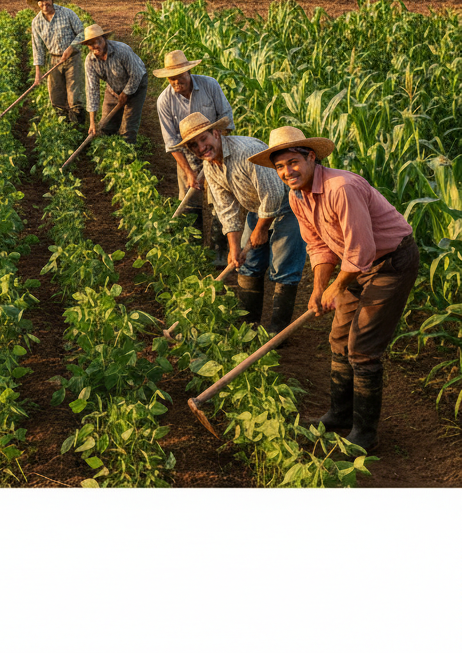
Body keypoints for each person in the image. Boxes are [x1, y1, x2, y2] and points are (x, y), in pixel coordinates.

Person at [249, 126, 420, 450]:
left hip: (389, 264)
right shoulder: (296, 197)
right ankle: (340, 415)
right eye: (280, 167)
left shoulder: (342, 188)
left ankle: (365, 435)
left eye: (292, 162)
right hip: (354, 267)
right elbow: (318, 245)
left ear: (311, 157)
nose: (287, 172)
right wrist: (319, 288)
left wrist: (337, 286)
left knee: (363, 348)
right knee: (339, 338)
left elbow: (362, 251)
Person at [178, 113, 307, 335]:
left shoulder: (247, 152)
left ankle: (278, 332)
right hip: (257, 210)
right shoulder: (210, 167)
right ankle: (248, 325)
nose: (201, 147)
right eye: (193, 145)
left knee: (283, 268)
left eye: (204, 139)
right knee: (247, 264)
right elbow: (227, 209)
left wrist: (260, 230)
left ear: (216, 133)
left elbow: (274, 194)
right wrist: (234, 247)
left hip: (289, 207)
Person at [155, 49, 234, 262]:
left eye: (180, 76)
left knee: (220, 200)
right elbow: (171, 142)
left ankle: (219, 252)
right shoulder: (164, 101)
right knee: (191, 199)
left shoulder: (210, 85)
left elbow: (226, 118)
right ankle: (195, 253)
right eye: (171, 78)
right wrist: (189, 172)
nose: (176, 81)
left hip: (216, 151)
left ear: (189, 72)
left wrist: (215, 154)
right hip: (187, 155)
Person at [28, 0, 86, 125]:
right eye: (40, 1)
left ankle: (78, 128)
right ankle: (63, 128)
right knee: (56, 96)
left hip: (72, 58)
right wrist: (38, 73)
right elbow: (37, 48)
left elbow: (82, 33)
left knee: (74, 95)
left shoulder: (67, 13)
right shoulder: (36, 22)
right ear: (38, 3)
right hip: (53, 60)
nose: (44, 3)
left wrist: (71, 48)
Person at [81, 24, 148, 144]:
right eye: (91, 44)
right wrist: (92, 122)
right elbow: (92, 90)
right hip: (113, 88)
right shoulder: (90, 61)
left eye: (98, 41)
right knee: (106, 126)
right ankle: (109, 153)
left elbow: (136, 75)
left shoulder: (121, 50)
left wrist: (126, 93)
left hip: (136, 84)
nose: (95, 46)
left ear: (104, 39)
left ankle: (128, 155)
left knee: (127, 130)